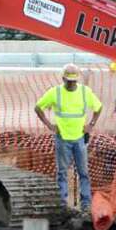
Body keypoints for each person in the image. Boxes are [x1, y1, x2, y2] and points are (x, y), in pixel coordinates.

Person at [34, 66, 102, 214]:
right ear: (63, 78)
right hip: (63, 138)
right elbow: (38, 107)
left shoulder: (85, 92)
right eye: (69, 81)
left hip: (79, 138)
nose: (71, 84)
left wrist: (91, 125)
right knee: (62, 172)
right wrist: (49, 125)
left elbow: (98, 107)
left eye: (73, 81)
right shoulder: (55, 93)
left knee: (83, 172)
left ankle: (86, 203)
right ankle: (63, 204)